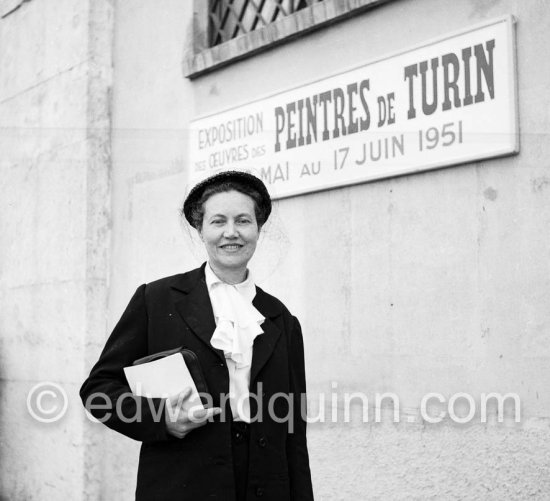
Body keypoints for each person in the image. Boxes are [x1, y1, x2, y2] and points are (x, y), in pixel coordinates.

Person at [80, 170, 314, 500]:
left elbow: (294, 435)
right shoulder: (156, 300)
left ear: (258, 229)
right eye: (218, 221)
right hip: (181, 483)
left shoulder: (282, 320)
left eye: (243, 221)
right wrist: (161, 419)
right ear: (201, 230)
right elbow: (98, 390)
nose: (231, 233)